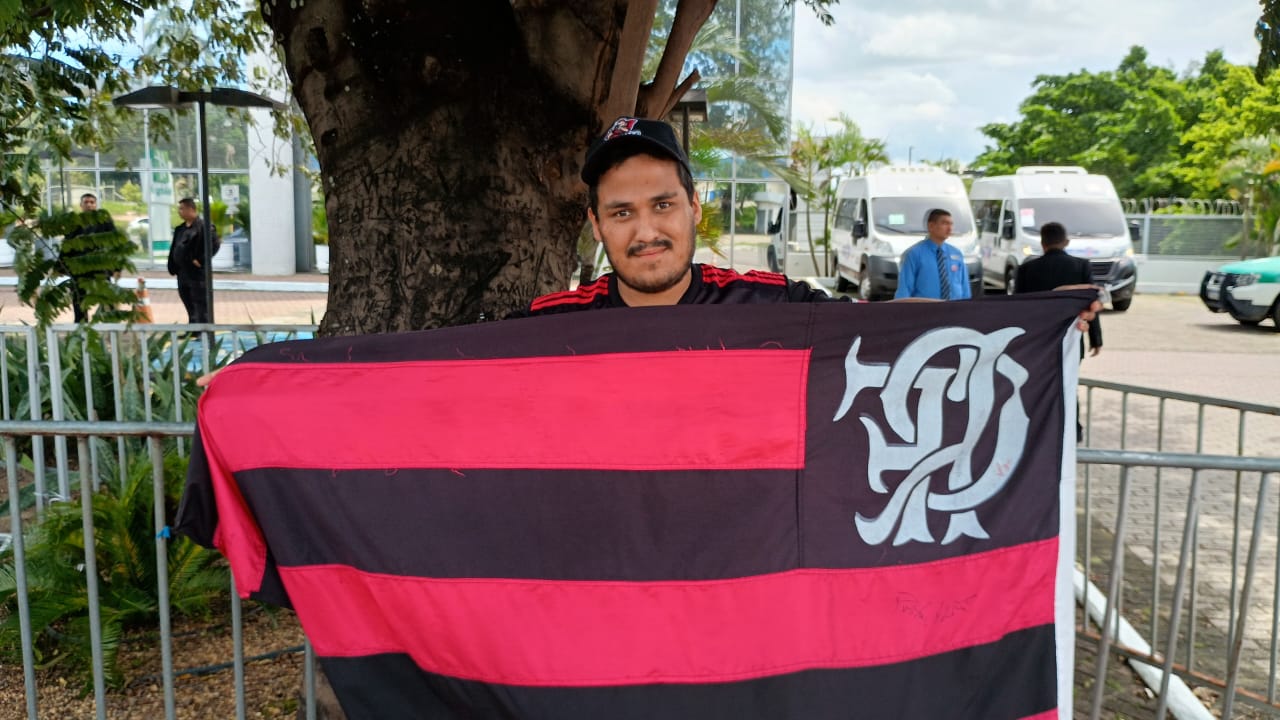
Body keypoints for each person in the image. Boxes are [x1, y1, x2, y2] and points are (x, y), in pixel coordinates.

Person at [1015, 222, 1102, 356]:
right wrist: (1096, 339)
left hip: (1036, 340)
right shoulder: (1081, 266)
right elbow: (1091, 303)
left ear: (1042, 243)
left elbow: (1017, 308)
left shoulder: (1026, 269)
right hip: (1070, 339)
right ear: (1066, 242)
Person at [60, 193, 118, 323]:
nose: (89, 205)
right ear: (81, 205)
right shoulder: (75, 223)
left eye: (92, 202)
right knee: (79, 300)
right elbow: (67, 245)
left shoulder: (104, 221)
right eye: (86, 202)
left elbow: (115, 243)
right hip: (80, 269)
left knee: (107, 297)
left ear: (96, 205)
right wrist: (60, 266)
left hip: (101, 267)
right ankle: (81, 325)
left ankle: (111, 324)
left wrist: (117, 267)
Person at [893, 208, 970, 300]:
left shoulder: (956, 254)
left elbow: (965, 287)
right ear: (931, 226)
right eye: (945, 223)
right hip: (926, 307)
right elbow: (905, 288)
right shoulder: (914, 254)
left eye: (951, 224)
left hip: (955, 307)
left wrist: (967, 305)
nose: (950, 228)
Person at [168, 197, 220, 324]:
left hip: (196, 274)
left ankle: (203, 329)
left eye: (182, 209)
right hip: (182, 272)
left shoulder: (204, 227)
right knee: (188, 302)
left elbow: (214, 245)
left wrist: (200, 260)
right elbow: (175, 247)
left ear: (191, 209)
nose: (179, 211)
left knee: (200, 304)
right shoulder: (180, 229)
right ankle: (193, 328)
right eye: (179, 209)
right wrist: (172, 265)